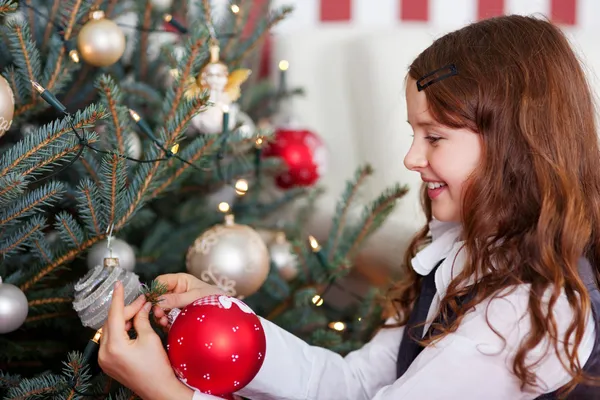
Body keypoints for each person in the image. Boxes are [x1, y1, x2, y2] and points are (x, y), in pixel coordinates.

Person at [98, 14, 600, 399]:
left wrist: (167, 392)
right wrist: (235, 320)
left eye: (434, 137)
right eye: (412, 134)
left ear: (515, 145)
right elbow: (354, 384)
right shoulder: (460, 256)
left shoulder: (526, 310)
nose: (411, 158)